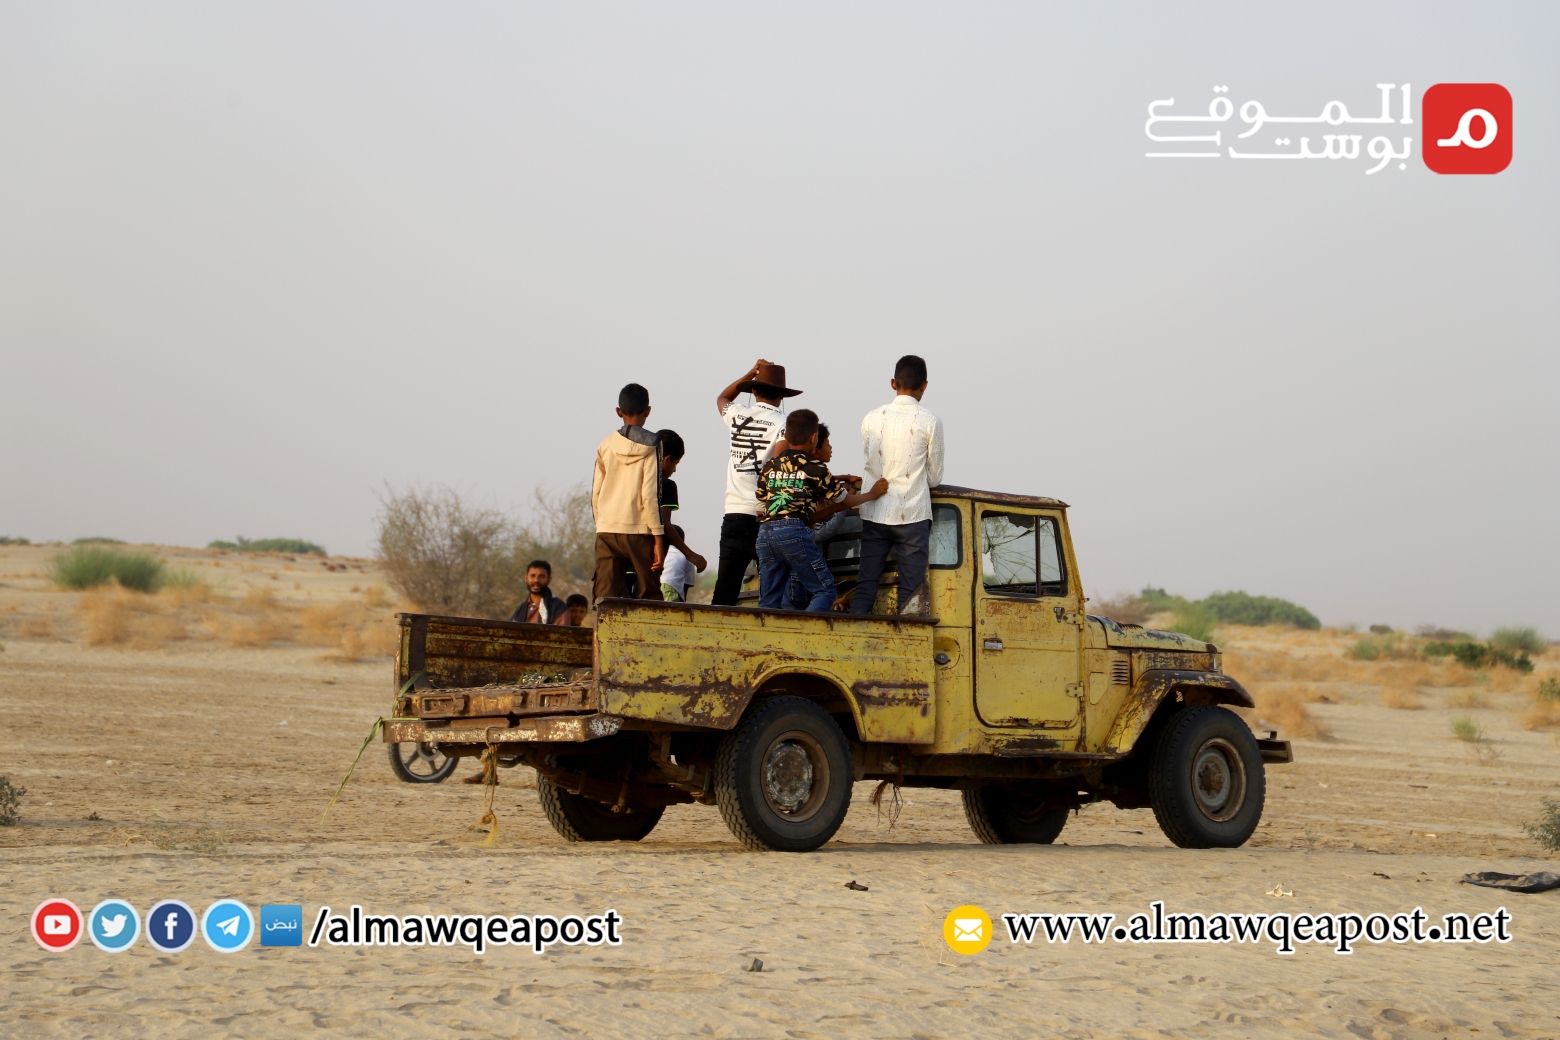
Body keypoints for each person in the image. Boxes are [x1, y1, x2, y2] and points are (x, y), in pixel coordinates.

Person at [756, 408, 887, 612]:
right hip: (794, 532)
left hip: (765, 534)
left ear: (786, 436)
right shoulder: (815, 468)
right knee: (825, 590)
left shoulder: (770, 466)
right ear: (814, 438)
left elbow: (760, 507)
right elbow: (844, 500)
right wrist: (872, 494)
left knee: (768, 602)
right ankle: (808, 631)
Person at [850, 355, 944, 616]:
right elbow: (935, 478)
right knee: (911, 590)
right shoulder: (930, 421)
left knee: (866, 585)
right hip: (912, 515)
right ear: (924, 385)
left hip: (875, 512)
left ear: (893, 383)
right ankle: (908, 639)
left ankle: (855, 631)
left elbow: (869, 461)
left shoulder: (871, 418)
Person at [712, 360, 798, 606]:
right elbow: (779, 465)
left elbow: (722, 397)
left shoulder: (738, 415)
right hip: (765, 516)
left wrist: (749, 373)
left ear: (753, 391)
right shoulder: (784, 424)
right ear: (782, 396)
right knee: (772, 592)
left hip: (734, 515)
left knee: (725, 591)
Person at [592, 383, 665, 604]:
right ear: (648, 411)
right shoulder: (653, 445)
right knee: (649, 596)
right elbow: (650, 495)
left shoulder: (605, 444)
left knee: (605, 599)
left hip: (607, 529)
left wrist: (602, 523)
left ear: (618, 412)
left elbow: (596, 492)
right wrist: (658, 537)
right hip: (639, 530)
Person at [653, 430, 707, 585]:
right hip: (649, 561)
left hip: (621, 552)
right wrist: (690, 554)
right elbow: (664, 524)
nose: (675, 470)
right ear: (667, 459)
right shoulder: (666, 485)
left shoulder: (634, 478)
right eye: (676, 463)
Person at [508, 560, 571, 625]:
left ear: (549, 580)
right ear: (526, 578)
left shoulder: (558, 609)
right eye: (532, 576)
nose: (536, 580)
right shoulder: (521, 608)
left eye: (541, 577)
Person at [659, 526, 699, 601]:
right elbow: (685, 587)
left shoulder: (658, 553)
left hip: (656, 584)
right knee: (671, 608)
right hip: (671, 588)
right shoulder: (687, 557)